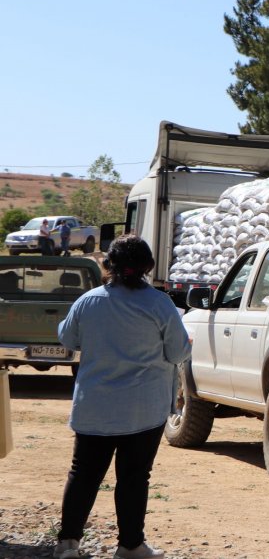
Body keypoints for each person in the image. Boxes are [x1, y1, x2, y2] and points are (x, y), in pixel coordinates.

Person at [53, 235, 190, 559]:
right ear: (148, 267)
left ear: (108, 265)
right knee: (133, 477)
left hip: (94, 407)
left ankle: (68, 544)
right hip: (143, 410)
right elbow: (178, 352)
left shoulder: (88, 301)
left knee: (84, 474)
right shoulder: (160, 304)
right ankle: (130, 545)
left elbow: (68, 339)